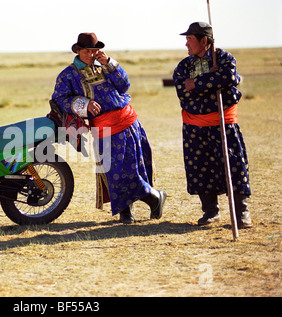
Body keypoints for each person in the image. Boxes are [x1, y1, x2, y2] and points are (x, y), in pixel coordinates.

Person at [51, 32, 166, 223]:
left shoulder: (106, 67)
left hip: (127, 122)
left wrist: (111, 64)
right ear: (78, 50)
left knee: (133, 167)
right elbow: (59, 100)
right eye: (87, 51)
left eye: (95, 50)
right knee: (113, 171)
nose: (91, 54)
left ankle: (135, 207)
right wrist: (83, 104)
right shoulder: (67, 75)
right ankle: (151, 199)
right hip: (103, 128)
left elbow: (124, 86)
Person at [173, 22, 252, 228]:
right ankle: (210, 212)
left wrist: (198, 83)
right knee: (200, 167)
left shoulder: (224, 58)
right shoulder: (184, 66)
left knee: (233, 165)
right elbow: (183, 90)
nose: (186, 44)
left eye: (190, 39)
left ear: (204, 40)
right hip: (194, 125)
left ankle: (241, 213)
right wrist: (213, 81)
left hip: (222, 123)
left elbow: (230, 78)